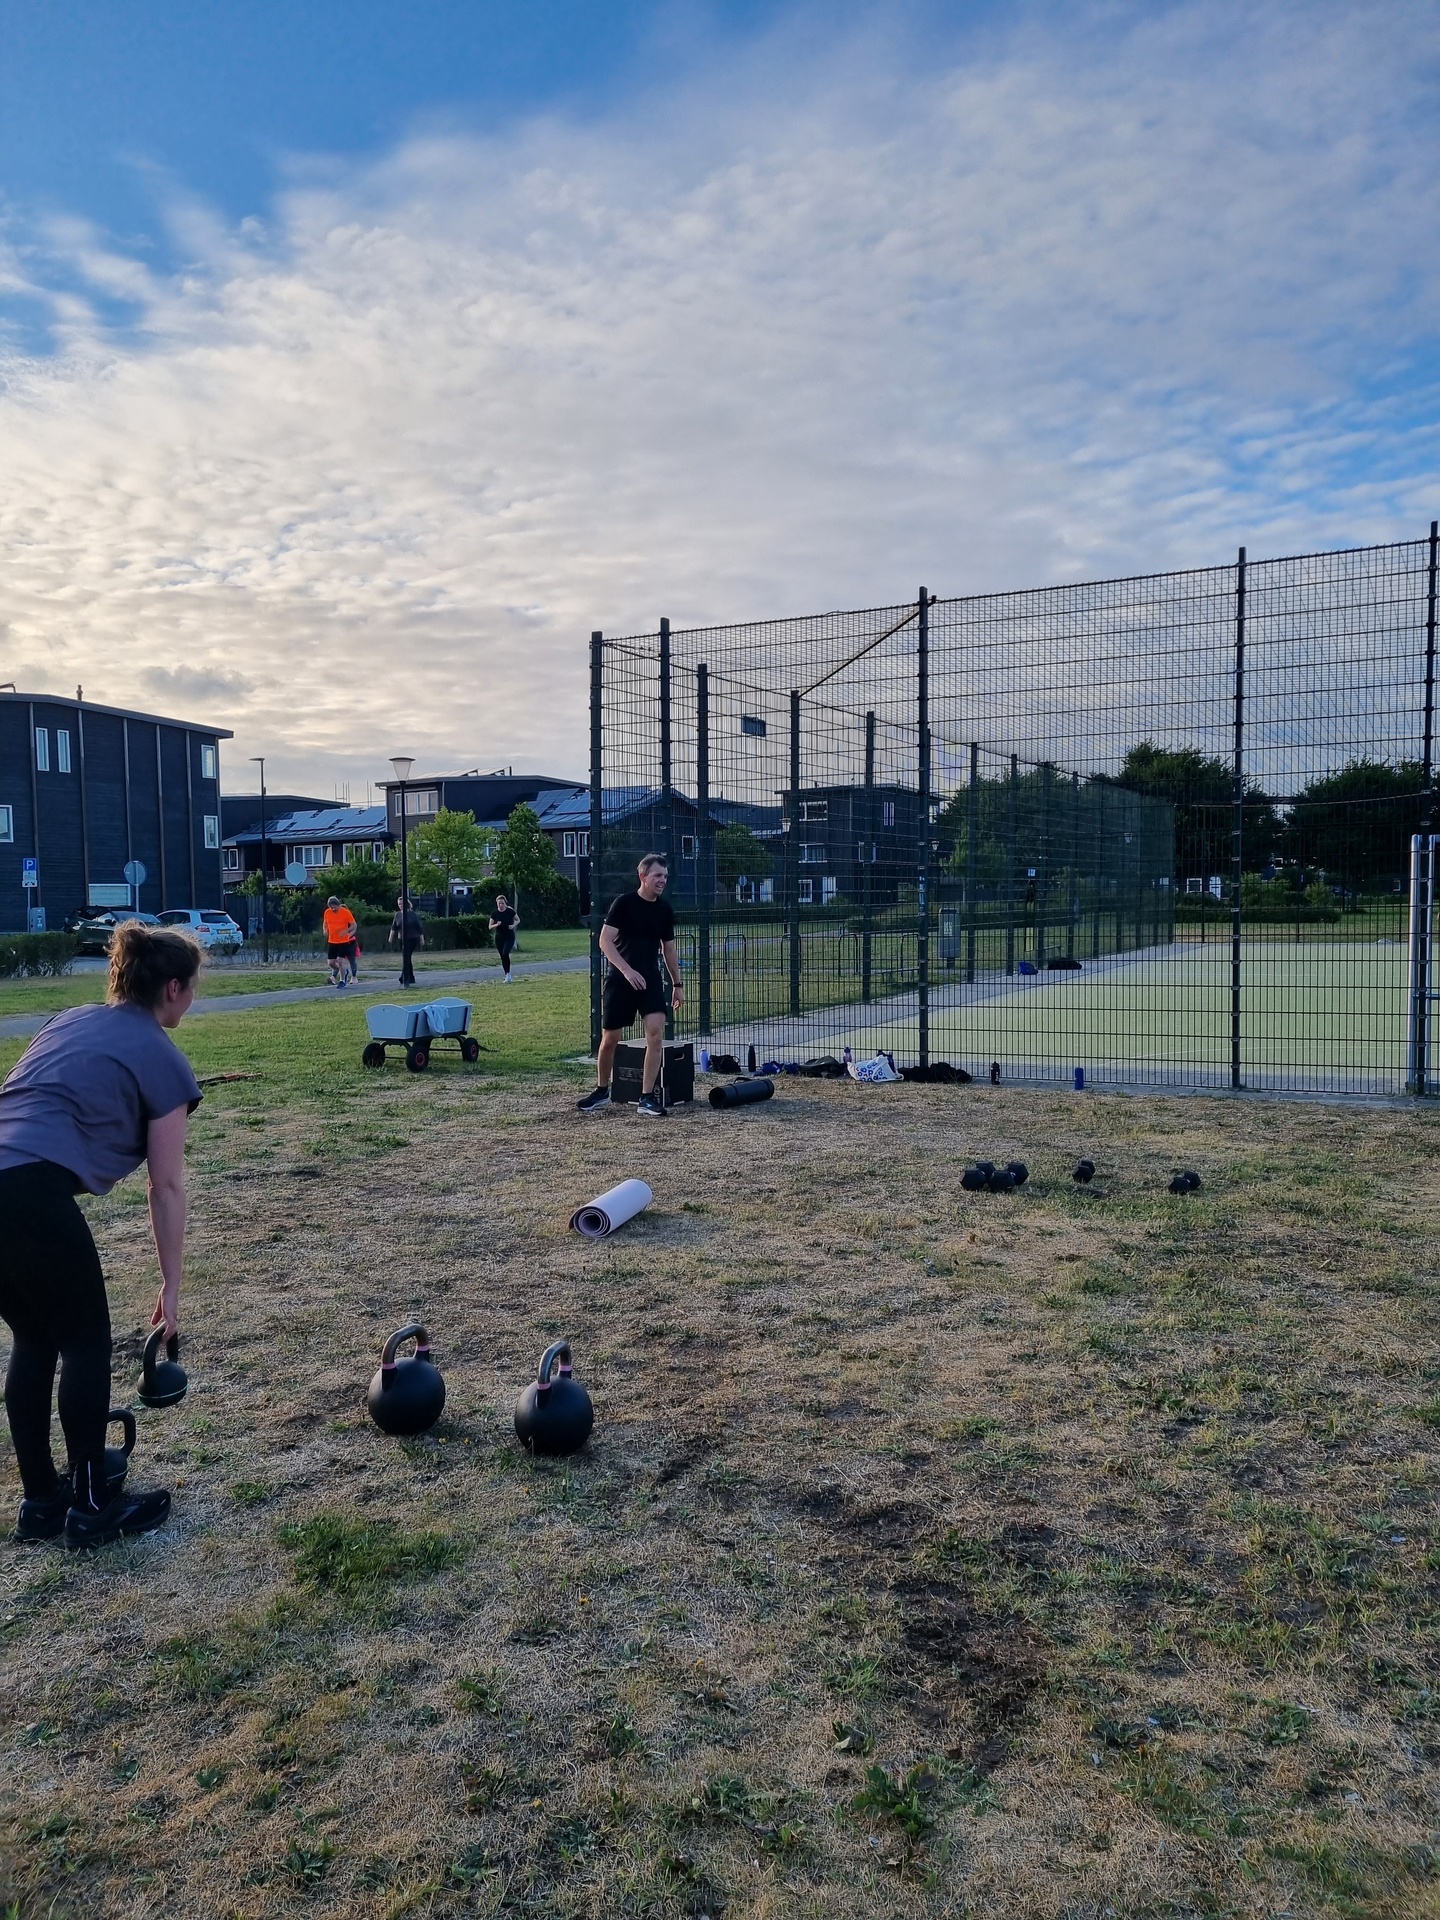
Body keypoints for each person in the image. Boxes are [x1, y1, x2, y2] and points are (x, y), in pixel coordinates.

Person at [0, 923, 203, 1547]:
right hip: (28, 1191)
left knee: (36, 1337)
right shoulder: (164, 1059)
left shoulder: (67, 1020)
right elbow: (165, 1187)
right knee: (86, 1340)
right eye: (192, 987)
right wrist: (172, 1284)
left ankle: (41, 1503)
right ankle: (92, 1509)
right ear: (172, 988)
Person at [578, 854, 682, 1119]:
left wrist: (677, 984)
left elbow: (668, 950)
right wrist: (626, 970)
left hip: (650, 980)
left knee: (656, 1032)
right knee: (610, 1039)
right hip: (620, 980)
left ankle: (647, 1097)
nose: (662, 880)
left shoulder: (664, 910)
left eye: (665, 876)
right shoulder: (623, 903)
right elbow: (605, 941)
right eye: (658, 875)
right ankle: (602, 1090)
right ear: (643, 876)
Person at [322, 896, 359, 988]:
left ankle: (342, 980)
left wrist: (346, 932)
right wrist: (325, 930)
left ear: (338, 905)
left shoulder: (345, 912)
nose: (333, 909)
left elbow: (354, 925)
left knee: (340, 960)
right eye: (331, 907)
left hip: (343, 941)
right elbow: (325, 923)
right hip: (332, 941)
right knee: (331, 963)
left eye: (335, 907)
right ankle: (344, 971)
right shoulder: (327, 912)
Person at [388, 895, 424, 986]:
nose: (400, 905)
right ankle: (411, 977)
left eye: (401, 904)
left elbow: (418, 927)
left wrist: (421, 939)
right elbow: (394, 927)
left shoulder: (412, 914)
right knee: (407, 958)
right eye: (399, 904)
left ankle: (403, 977)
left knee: (407, 957)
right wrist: (391, 937)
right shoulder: (398, 915)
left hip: (412, 939)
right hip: (402, 939)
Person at [488, 893, 520, 983]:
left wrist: (513, 925)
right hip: (499, 938)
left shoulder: (510, 911)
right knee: (502, 956)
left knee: (505, 953)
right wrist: (496, 924)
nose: (501, 905)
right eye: (499, 904)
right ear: (496, 904)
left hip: (509, 936)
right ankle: (507, 974)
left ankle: (508, 974)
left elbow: (518, 920)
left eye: (502, 903)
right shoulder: (494, 913)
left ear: (505, 903)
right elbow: (490, 926)